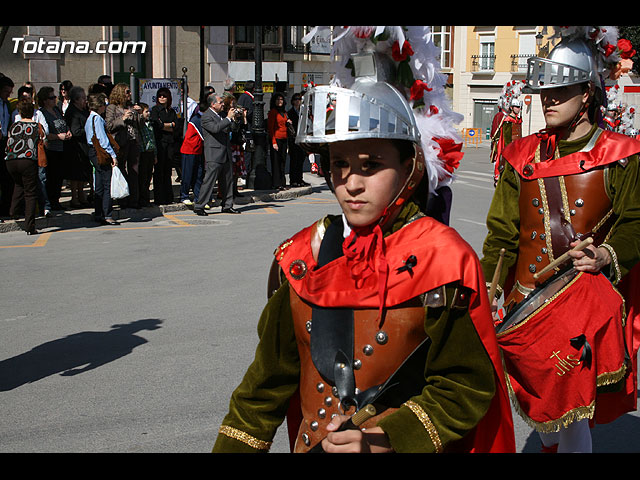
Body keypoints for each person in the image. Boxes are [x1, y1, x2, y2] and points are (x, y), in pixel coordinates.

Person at [212, 26, 515, 454]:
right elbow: (260, 395)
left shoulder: (444, 258)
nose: (351, 183)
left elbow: (465, 385)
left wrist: (385, 437)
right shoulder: (301, 256)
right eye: (339, 164)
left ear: (410, 166)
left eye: (371, 164)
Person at [481, 27, 640, 453]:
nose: (547, 99)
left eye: (561, 90)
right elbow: (502, 234)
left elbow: (636, 221)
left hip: (577, 309)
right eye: (544, 90)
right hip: (523, 302)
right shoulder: (522, 154)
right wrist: (486, 291)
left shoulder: (622, 155)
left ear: (587, 93)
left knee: (571, 423)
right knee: (542, 416)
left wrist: (607, 252)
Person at [194, 94, 241, 216]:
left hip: (225, 152)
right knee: (209, 181)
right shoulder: (206, 117)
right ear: (212, 104)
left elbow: (232, 129)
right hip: (214, 154)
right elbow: (215, 129)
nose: (222, 104)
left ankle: (227, 205)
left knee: (227, 181)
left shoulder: (221, 116)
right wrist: (228, 119)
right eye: (220, 102)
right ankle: (200, 205)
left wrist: (235, 119)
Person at [4, 98, 45, 235]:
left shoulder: (13, 126)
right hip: (27, 160)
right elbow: (43, 141)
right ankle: (30, 226)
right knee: (30, 192)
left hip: (10, 160)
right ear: (33, 112)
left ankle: (13, 210)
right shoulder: (37, 126)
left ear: (20, 112)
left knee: (18, 184)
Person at [85, 92, 119, 225]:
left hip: (92, 151)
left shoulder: (90, 118)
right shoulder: (97, 119)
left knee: (98, 184)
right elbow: (102, 140)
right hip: (100, 151)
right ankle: (107, 214)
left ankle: (98, 212)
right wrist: (112, 155)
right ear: (99, 106)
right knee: (106, 184)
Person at [106, 83, 141, 209]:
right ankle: (123, 199)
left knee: (134, 171)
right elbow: (109, 126)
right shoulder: (112, 108)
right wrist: (123, 118)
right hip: (120, 142)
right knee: (121, 169)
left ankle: (134, 200)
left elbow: (139, 124)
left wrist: (139, 114)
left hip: (133, 141)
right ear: (120, 93)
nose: (129, 94)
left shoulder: (131, 106)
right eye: (127, 92)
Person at [38, 86, 71, 211]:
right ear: (45, 100)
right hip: (51, 148)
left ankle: (56, 200)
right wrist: (58, 136)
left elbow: (63, 123)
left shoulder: (56, 110)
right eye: (51, 98)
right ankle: (51, 201)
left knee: (59, 176)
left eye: (54, 97)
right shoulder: (42, 113)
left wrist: (67, 131)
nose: (54, 100)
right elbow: (44, 133)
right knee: (52, 177)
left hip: (62, 147)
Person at [490, 81, 524, 186]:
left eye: (519, 107)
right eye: (516, 107)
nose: (518, 109)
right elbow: (503, 137)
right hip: (506, 146)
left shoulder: (518, 119)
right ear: (511, 107)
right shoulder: (507, 119)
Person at [64, 86, 91, 208]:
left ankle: (81, 195)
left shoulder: (84, 110)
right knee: (76, 174)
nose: (85, 100)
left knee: (82, 173)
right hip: (76, 147)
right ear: (76, 100)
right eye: (83, 98)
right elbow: (76, 131)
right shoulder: (73, 112)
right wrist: (89, 130)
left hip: (84, 146)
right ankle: (75, 198)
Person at [150, 87, 178, 205]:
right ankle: (159, 197)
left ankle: (168, 197)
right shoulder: (156, 110)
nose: (162, 98)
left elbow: (176, 125)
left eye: (164, 96)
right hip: (160, 142)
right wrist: (168, 125)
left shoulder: (171, 111)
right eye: (159, 96)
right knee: (159, 171)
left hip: (170, 143)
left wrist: (167, 125)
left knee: (167, 171)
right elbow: (157, 125)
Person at [179, 103, 204, 206]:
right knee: (187, 174)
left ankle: (198, 197)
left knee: (198, 175)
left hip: (198, 150)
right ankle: (184, 195)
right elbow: (204, 135)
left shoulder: (202, 119)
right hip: (189, 150)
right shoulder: (196, 119)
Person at [223, 94, 247, 197]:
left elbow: (242, 126)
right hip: (230, 144)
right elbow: (231, 128)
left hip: (238, 143)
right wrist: (231, 117)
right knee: (230, 170)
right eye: (232, 104)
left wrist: (242, 117)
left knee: (237, 169)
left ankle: (234, 189)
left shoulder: (236, 116)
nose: (234, 106)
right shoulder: (225, 115)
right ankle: (229, 190)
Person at [267, 92, 290, 190]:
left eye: (281, 99)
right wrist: (273, 142)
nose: (279, 101)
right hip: (277, 138)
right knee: (276, 162)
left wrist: (288, 122)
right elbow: (271, 128)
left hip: (284, 138)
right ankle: (276, 183)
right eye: (277, 99)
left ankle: (282, 182)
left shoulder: (284, 112)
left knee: (282, 161)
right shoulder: (273, 112)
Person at [136, 103, 157, 208]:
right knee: (142, 177)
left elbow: (153, 139)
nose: (148, 113)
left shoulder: (149, 124)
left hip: (150, 152)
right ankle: (142, 199)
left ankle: (146, 198)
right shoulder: (140, 125)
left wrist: (155, 155)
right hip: (143, 153)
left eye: (148, 111)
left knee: (148, 177)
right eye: (146, 111)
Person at [0, 75, 15, 218]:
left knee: (7, 177)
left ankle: (5, 210)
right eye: (6, 92)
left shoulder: (6, 104)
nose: (8, 95)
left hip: (5, 142)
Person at [287, 92, 308, 188]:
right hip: (293, 139)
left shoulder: (303, 112)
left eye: (299, 99)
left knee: (301, 159)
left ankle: (300, 179)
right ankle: (293, 180)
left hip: (302, 138)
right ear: (292, 101)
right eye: (296, 99)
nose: (298, 101)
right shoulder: (290, 113)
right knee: (294, 160)